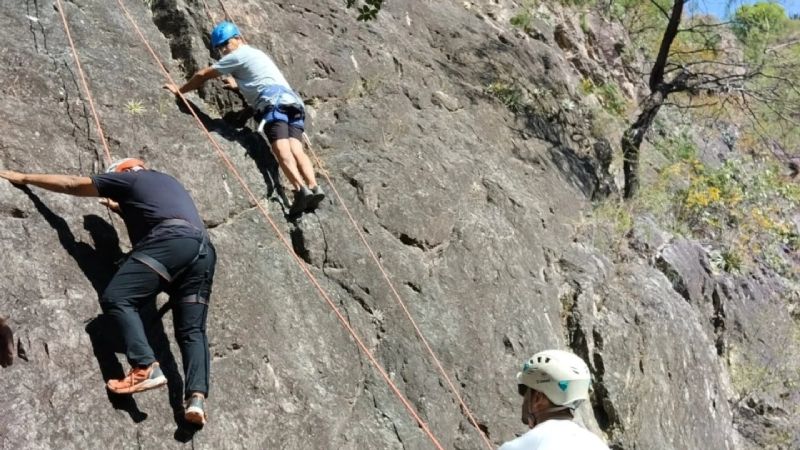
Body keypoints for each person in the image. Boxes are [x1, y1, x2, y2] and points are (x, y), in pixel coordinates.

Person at [0, 158, 216, 426]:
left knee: (119, 296)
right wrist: (124, 208)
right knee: (192, 331)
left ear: (122, 173)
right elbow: (155, 211)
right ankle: (196, 398)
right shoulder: (166, 181)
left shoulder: (130, 178)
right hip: (202, 253)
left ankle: (145, 366)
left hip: (172, 242)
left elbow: (73, 184)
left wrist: (25, 178)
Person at [164, 21, 325, 217]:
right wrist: (238, 84)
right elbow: (258, 79)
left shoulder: (237, 55)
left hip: (273, 103)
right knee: (297, 148)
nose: (223, 50)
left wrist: (180, 90)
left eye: (226, 44)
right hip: (293, 103)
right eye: (219, 47)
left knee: (281, 147)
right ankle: (314, 187)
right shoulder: (256, 54)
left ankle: (301, 190)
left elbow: (202, 74)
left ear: (238, 38)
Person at [500, 349, 609, 450]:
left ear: (538, 398)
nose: (523, 399)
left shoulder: (516, 447)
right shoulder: (597, 444)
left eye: (524, 391)